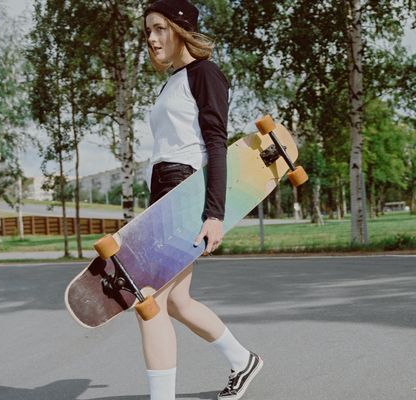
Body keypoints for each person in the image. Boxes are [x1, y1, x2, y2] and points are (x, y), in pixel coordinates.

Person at [140, 1, 263, 399]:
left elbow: (216, 145)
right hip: (163, 191)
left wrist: (214, 214)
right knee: (175, 300)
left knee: (149, 298)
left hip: (184, 190)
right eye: (148, 32)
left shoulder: (205, 74)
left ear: (180, 29)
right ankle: (242, 360)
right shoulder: (172, 81)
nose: (152, 39)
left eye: (159, 29)